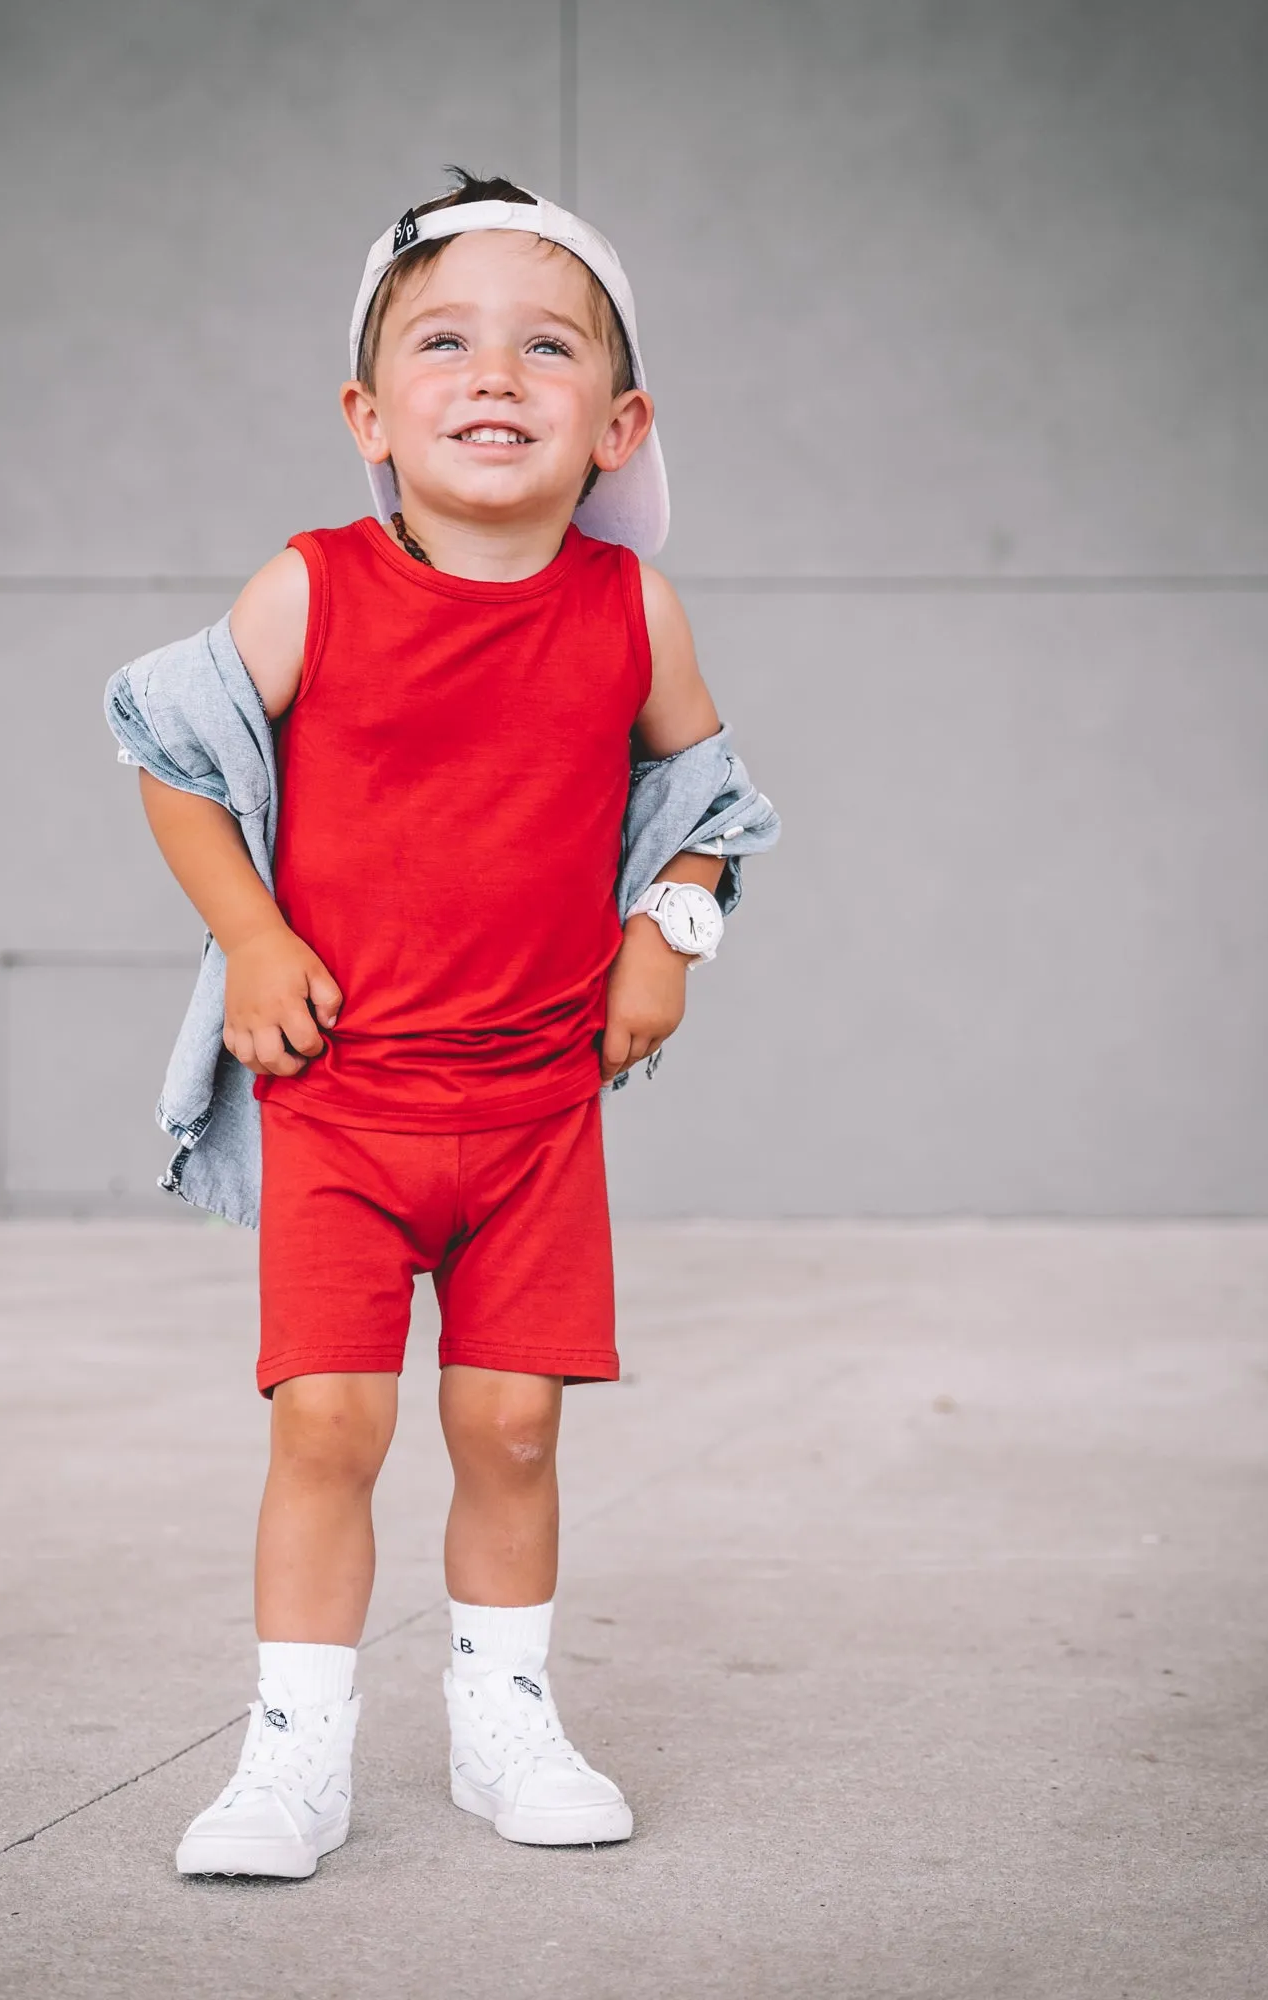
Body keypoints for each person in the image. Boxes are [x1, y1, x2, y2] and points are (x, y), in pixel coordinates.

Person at [103, 169, 779, 1878]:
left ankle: (504, 1724)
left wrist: (669, 934)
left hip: (536, 1106)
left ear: (618, 422)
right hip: (343, 1100)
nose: (496, 374)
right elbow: (169, 758)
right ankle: (292, 1758)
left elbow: (706, 793)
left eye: (547, 347)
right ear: (369, 413)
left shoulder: (631, 614)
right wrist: (250, 937)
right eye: (446, 341)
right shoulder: (315, 588)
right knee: (328, 1421)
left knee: (514, 1425)